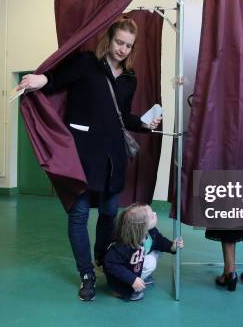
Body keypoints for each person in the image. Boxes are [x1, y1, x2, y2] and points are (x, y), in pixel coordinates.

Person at [17, 17, 162, 301]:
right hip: (81, 157)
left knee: (108, 214)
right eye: (119, 42)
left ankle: (102, 259)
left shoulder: (130, 78)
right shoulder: (86, 63)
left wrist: (144, 123)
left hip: (112, 159)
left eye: (128, 45)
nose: (122, 49)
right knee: (79, 215)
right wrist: (40, 79)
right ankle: (87, 273)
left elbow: (122, 115)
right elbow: (57, 80)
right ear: (109, 39)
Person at [104, 203, 183, 301]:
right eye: (152, 216)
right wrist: (132, 279)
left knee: (158, 250)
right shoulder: (123, 245)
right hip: (121, 277)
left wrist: (172, 247)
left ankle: (140, 276)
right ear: (142, 227)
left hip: (134, 263)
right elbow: (111, 264)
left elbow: (160, 241)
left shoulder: (151, 232)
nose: (155, 213)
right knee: (151, 262)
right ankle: (123, 290)